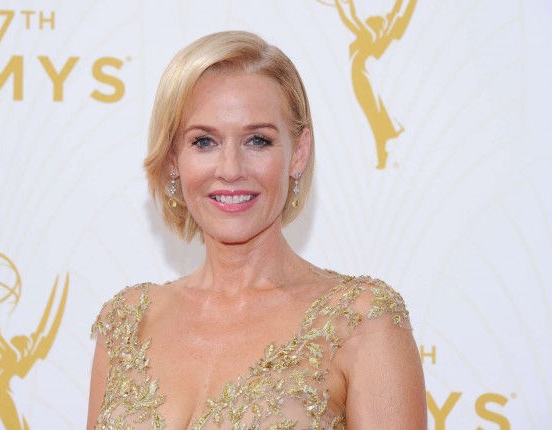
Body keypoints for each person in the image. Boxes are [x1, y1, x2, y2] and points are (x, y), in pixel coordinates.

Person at [87, 30, 426, 429]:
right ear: (173, 158)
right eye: (204, 141)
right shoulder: (127, 322)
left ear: (298, 153)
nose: (230, 169)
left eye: (258, 141)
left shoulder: (360, 320)